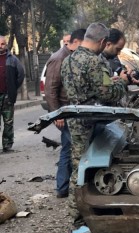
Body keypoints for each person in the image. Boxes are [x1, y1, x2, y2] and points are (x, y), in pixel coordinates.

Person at [60, 22, 128, 223]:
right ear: (102, 42)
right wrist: (122, 82)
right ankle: (79, 215)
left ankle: (76, 213)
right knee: (88, 167)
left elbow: (84, 88)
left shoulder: (68, 60)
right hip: (92, 120)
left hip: (75, 117)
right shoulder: (95, 63)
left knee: (77, 164)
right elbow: (107, 94)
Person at [44, 28, 86, 198]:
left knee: (68, 149)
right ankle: (64, 188)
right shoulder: (59, 58)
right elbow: (50, 90)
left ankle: (63, 188)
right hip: (64, 113)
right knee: (71, 149)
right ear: (75, 42)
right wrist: (57, 114)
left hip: (71, 112)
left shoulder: (71, 57)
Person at [0, 35, 25, 152]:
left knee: (8, 122)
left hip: (7, 96)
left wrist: (13, 88)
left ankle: (7, 145)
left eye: (2, 44)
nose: (0, 46)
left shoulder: (12, 59)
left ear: (6, 45)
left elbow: (20, 74)